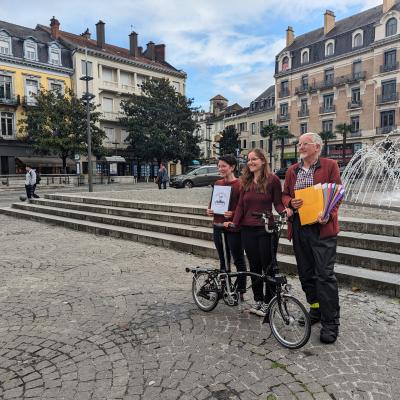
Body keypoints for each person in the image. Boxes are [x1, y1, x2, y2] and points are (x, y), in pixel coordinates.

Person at [282, 132, 342, 344]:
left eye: (304, 144)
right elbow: (285, 194)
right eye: (299, 144)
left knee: (324, 275)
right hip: (299, 227)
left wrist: (328, 214)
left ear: (316, 146)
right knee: (306, 273)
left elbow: (337, 193)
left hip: (322, 228)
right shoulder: (293, 170)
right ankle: (315, 309)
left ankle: (331, 322)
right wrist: (290, 203)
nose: (300, 147)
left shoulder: (329, 165)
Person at [225, 149, 291, 317]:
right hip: (247, 229)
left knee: (267, 266)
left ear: (263, 161)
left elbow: (277, 203)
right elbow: (241, 205)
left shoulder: (273, 180)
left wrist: (284, 212)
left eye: (254, 159)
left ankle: (269, 301)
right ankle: (258, 300)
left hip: (265, 228)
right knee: (254, 267)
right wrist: (235, 222)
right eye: (249, 159)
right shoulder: (245, 180)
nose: (251, 162)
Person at [207, 155, 247, 298]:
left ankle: (240, 290)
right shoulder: (218, 183)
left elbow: (244, 207)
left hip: (234, 227)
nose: (220, 169)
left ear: (232, 167)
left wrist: (233, 213)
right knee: (223, 260)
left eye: (223, 166)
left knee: (238, 259)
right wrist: (209, 210)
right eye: (219, 166)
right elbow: (213, 202)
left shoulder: (241, 184)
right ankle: (225, 288)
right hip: (218, 225)